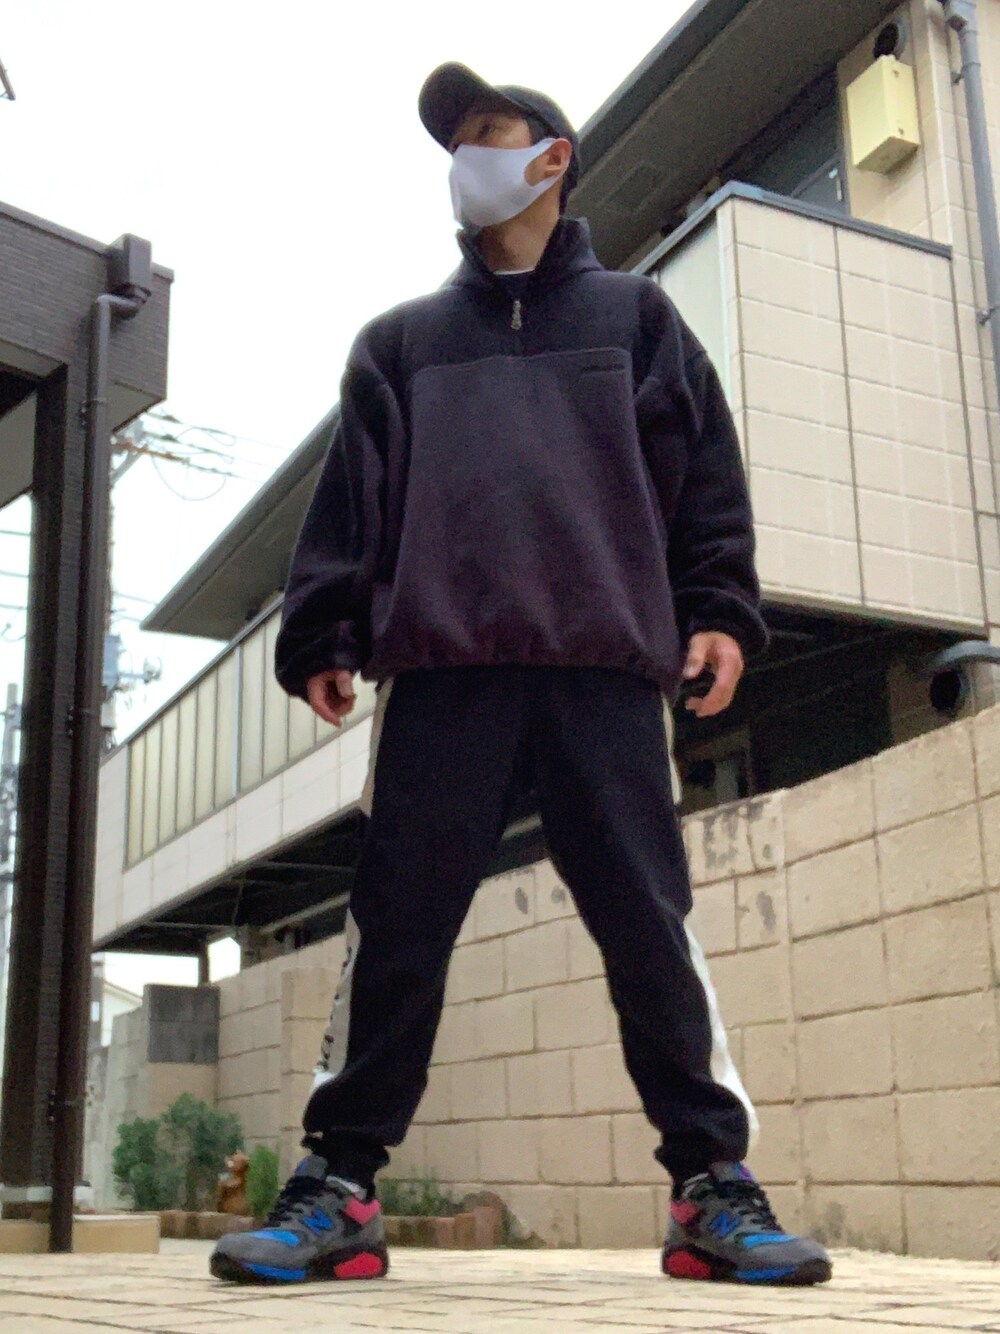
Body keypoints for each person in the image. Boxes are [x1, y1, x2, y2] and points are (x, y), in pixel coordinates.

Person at [211, 62, 831, 1289]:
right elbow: (350, 503)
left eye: (487, 135)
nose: (465, 162)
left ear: (552, 159)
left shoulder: (637, 320)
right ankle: (339, 1185)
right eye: (454, 145)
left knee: (648, 927)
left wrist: (718, 608)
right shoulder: (399, 343)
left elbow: (704, 478)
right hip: (443, 669)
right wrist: (323, 629)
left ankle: (711, 1184)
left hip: (605, 666)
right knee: (396, 929)